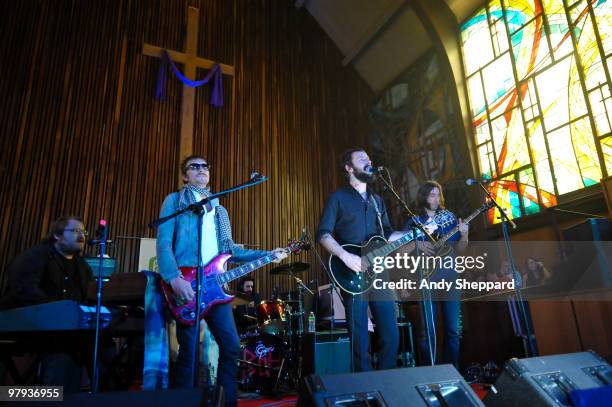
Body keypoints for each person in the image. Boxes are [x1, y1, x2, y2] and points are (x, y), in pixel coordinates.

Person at [156, 155, 287, 407]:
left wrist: (269, 254)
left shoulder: (219, 209)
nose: (202, 170)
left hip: (215, 289)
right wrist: (174, 279)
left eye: (205, 166)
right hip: (187, 285)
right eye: (195, 167)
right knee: (189, 353)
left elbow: (231, 250)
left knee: (232, 348)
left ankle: (227, 403)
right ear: (185, 175)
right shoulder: (175, 201)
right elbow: (163, 243)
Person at [317, 148, 416, 372]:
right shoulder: (338, 198)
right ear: (349, 167)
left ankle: (386, 382)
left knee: (390, 332)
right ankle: (365, 384)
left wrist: (414, 234)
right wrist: (344, 255)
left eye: (369, 159)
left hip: (379, 270)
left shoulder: (377, 200)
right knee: (359, 335)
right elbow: (323, 234)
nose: (368, 161)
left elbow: (388, 233)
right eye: (362, 159)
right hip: (351, 271)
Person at [0, 216, 102, 392]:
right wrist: (59, 310)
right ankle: (50, 399)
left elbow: (90, 296)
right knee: (63, 352)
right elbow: (24, 289)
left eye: (83, 231)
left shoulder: (82, 266)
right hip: (28, 325)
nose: (82, 235)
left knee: (104, 348)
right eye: (75, 231)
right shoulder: (35, 256)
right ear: (57, 235)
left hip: (66, 331)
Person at [404, 181, 468, 368]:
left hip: (450, 278)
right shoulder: (414, 221)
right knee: (426, 331)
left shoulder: (448, 217)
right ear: (423, 196)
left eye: (438, 194)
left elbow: (461, 249)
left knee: (454, 330)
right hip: (425, 278)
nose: (436, 198)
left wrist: (464, 235)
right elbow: (401, 249)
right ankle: (429, 372)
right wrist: (418, 245)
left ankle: (452, 371)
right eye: (432, 194)